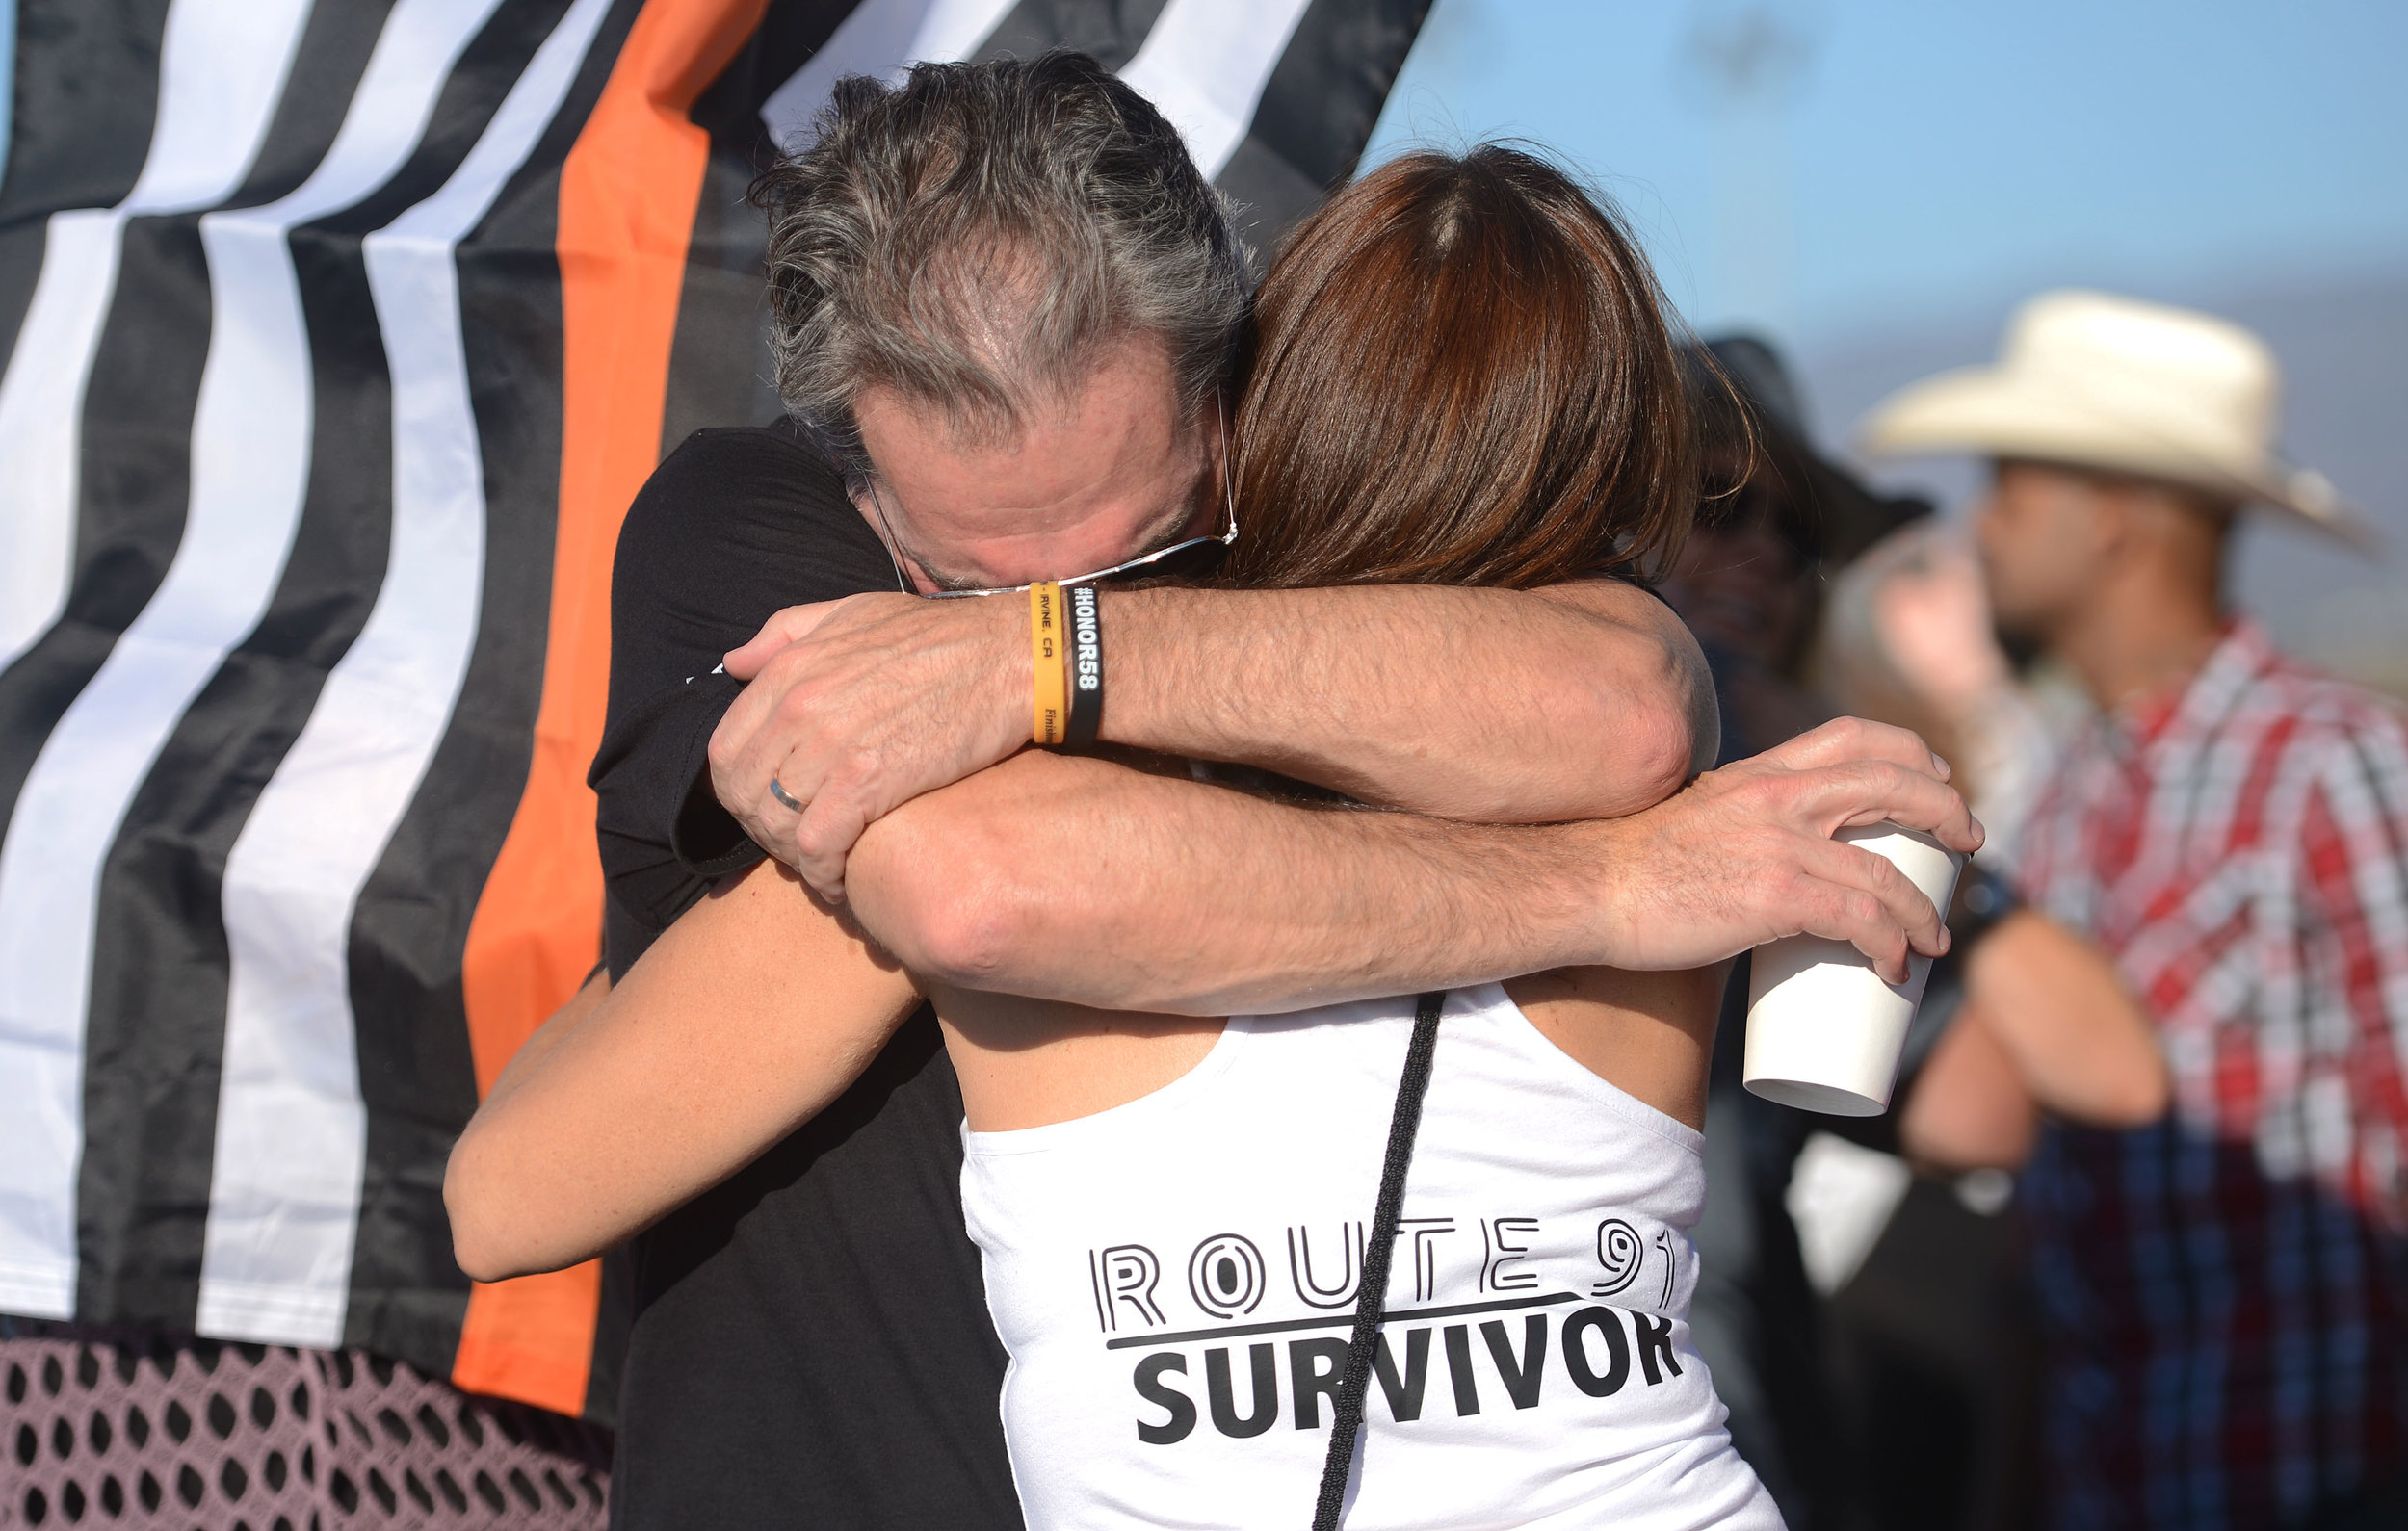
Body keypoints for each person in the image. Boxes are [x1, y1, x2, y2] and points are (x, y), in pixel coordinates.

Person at [448, 57, 1973, 1530]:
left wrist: (1024, 653)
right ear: (851, 477)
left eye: (1140, 543)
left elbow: (1627, 702)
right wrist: (1620, 887)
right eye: (966, 579)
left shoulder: (1240, 571)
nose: (1046, 605)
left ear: (1230, 391)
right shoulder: (747, 527)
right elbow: (970, 886)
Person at [1864, 289, 2408, 1531]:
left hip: (2321, 1475)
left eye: (2008, 494)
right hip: (2128, 1475)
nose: (1981, 534)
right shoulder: (2066, 798)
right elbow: (2033, 1210)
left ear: (2113, 517)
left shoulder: (2331, 765)